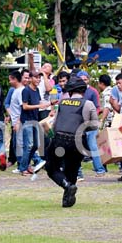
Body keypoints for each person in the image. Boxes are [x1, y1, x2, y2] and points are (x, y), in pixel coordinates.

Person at [45, 77, 98, 207]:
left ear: (69, 92)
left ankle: (66, 186)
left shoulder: (62, 102)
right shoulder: (88, 104)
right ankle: (68, 198)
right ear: (83, 91)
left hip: (59, 140)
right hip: (78, 141)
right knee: (72, 169)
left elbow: (55, 123)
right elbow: (95, 125)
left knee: (52, 168)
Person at [18, 70, 50, 176]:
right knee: (29, 145)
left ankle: (26, 165)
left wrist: (49, 104)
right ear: (31, 78)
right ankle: (23, 168)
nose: (38, 80)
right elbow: (25, 106)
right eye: (36, 77)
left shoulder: (36, 90)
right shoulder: (26, 91)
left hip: (35, 119)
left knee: (36, 145)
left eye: (39, 78)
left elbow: (40, 102)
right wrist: (39, 106)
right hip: (27, 120)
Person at [77, 70, 105, 176]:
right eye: (81, 79)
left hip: (91, 124)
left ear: (88, 79)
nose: (84, 81)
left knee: (93, 146)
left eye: (85, 79)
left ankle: (99, 169)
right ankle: (77, 171)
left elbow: (98, 107)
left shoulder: (93, 92)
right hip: (78, 124)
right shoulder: (76, 91)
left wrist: (92, 115)